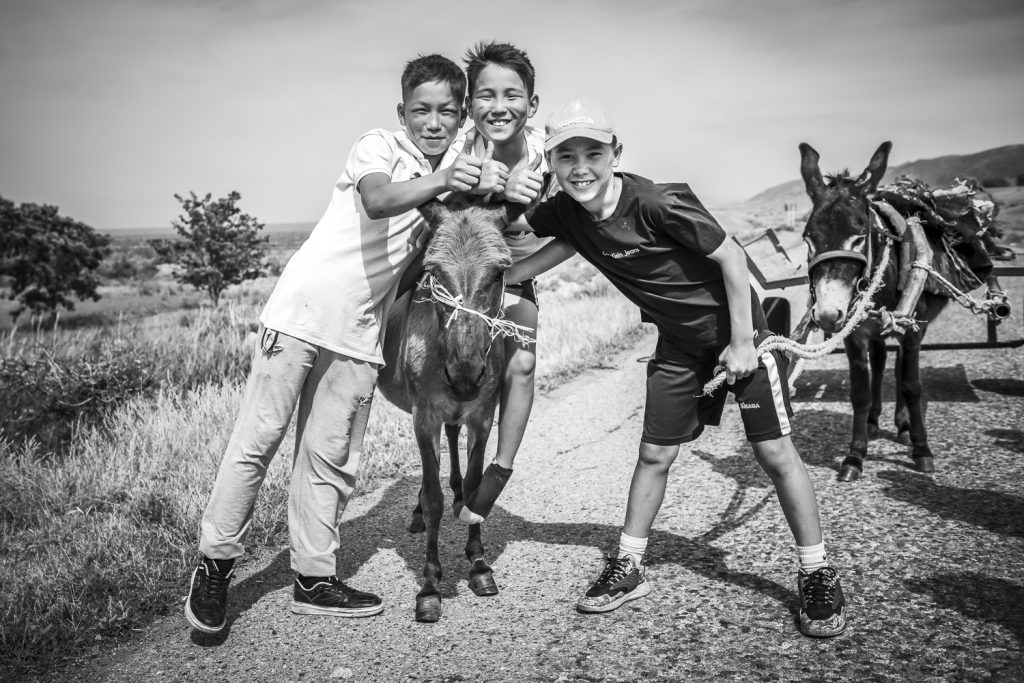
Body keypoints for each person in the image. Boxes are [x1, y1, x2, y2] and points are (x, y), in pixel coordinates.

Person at [503, 97, 848, 638]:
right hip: (680, 345)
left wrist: (740, 344)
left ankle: (817, 570)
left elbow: (731, 257)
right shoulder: (567, 208)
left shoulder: (655, 202)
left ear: (616, 152)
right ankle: (630, 564)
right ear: (552, 163)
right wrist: (508, 266)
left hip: (740, 334)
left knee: (774, 453)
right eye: (565, 156)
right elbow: (543, 233)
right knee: (654, 453)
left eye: (593, 152)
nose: (580, 167)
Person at [185, 54, 500, 634]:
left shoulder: (456, 170)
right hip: (304, 314)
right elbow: (378, 200)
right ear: (401, 111)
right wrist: (449, 179)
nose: (433, 122)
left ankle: (313, 576)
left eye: (447, 113)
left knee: (328, 458)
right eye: (421, 110)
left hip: (362, 333)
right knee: (258, 442)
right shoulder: (377, 146)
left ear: (459, 119)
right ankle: (215, 567)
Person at [453, 41, 558, 526]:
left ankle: (500, 467)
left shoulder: (552, 160)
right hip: (461, 274)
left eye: (512, 95)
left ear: (531, 105)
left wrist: (516, 275)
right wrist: (483, 191)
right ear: (469, 104)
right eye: (485, 96)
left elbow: (581, 236)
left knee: (522, 362)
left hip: (516, 272)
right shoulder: (458, 153)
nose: (499, 107)